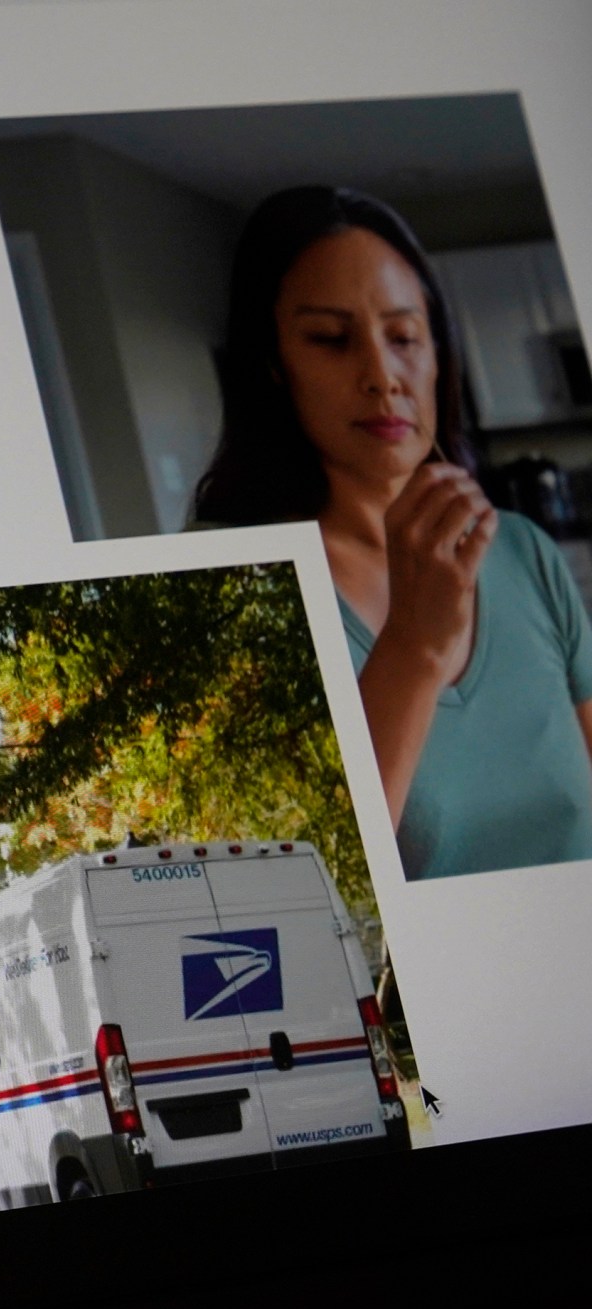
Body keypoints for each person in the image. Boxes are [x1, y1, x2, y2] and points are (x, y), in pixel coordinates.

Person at [191, 186, 592, 880]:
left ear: (440, 355)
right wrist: (414, 645)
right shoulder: (231, 589)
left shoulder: (523, 549)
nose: (382, 377)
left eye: (404, 338)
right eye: (330, 339)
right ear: (273, 366)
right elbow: (299, 883)